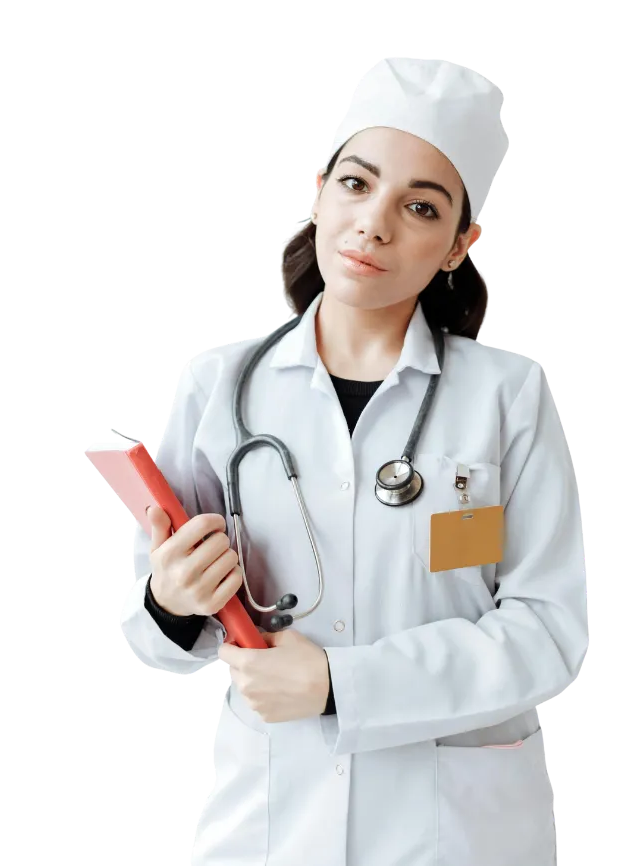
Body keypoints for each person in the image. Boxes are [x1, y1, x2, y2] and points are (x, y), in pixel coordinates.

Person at [119, 57, 587, 866]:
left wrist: (343, 683)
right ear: (318, 189)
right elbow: (151, 636)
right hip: (269, 822)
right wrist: (171, 600)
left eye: (419, 206)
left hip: (455, 832)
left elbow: (550, 629)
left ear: (459, 245)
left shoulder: (508, 393)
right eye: (355, 184)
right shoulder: (217, 383)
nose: (373, 225)